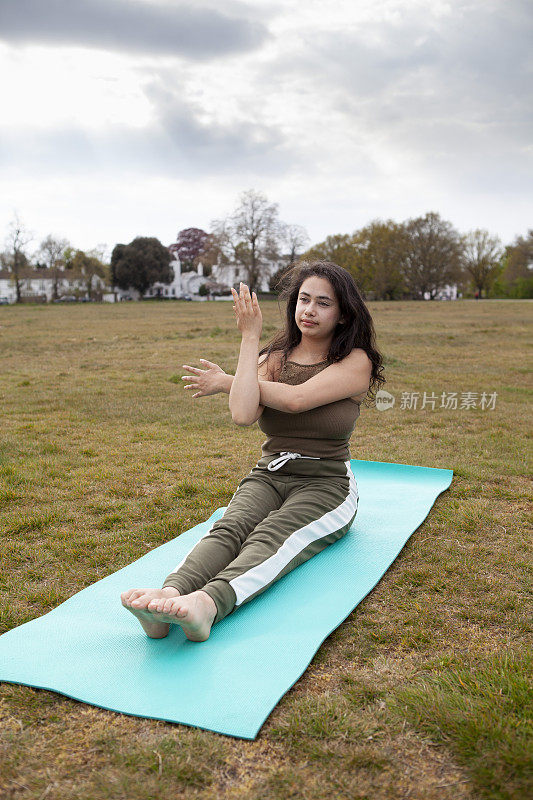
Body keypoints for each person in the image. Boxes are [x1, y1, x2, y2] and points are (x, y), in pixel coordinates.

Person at [121, 260, 385, 642]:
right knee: (230, 528)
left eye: (323, 303)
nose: (309, 310)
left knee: (270, 536)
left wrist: (228, 381)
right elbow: (244, 414)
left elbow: (296, 400)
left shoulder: (355, 361)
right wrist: (250, 338)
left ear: (343, 314)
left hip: (326, 483)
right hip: (269, 472)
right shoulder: (271, 358)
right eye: (304, 300)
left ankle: (208, 605)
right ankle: (170, 595)